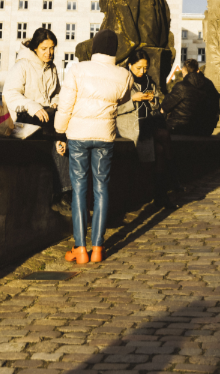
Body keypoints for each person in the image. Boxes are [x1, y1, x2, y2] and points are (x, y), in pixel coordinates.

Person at [54, 28, 132, 265]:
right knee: (101, 189)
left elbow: (65, 104)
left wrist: (59, 132)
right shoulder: (124, 74)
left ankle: (80, 248)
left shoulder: (77, 69)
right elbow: (125, 101)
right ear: (115, 50)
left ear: (94, 47)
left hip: (78, 135)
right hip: (105, 136)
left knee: (79, 190)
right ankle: (98, 247)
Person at [3, 27, 71, 201]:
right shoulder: (22, 65)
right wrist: (32, 106)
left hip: (46, 119)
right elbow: (10, 95)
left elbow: (56, 92)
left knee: (67, 131)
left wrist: (56, 100)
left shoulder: (52, 68)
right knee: (60, 134)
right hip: (25, 120)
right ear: (35, 48)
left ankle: (67, 192)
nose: (49, 53)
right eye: (44, 49)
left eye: (52, 48)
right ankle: (63, 195)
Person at [118, 46, 171, 208]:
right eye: (138, 67)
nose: (142, 71)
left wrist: (153, 101)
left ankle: (164, 190)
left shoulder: (149, 81)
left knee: (164, 139)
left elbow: (156, 106)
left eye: (145, 68)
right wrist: (133, 99)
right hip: (129, 126)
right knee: (160, 148)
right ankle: (166, 188)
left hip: (146, 123)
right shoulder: (123, 81)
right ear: (130, 66)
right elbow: (114, 107)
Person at [161, 58, 220, 137]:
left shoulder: (181, 87)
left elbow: (165, 106)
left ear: (183, 70)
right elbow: (216, 108)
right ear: (198, 70)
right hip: (205, 130)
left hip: (179, 129)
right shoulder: (210, 85)